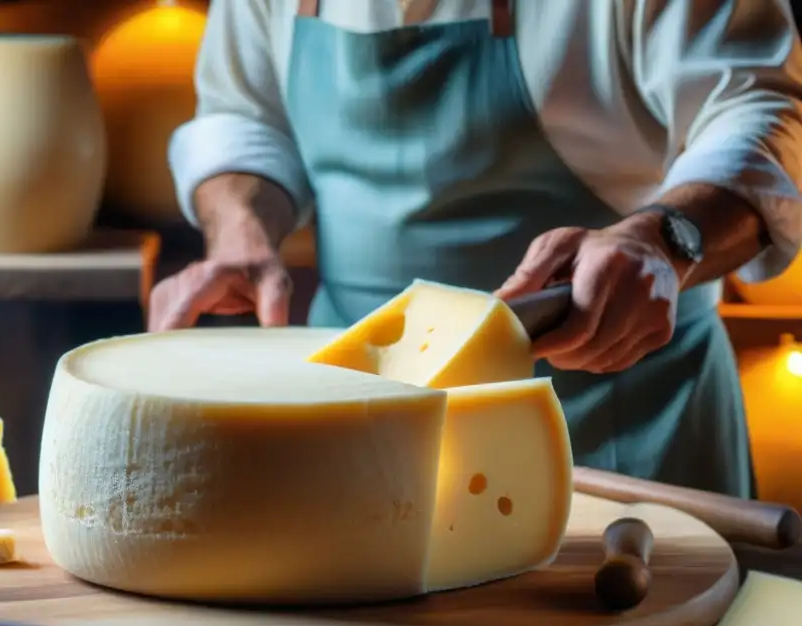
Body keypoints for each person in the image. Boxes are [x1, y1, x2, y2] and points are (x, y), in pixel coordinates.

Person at [151, 0, 802, 498]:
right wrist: (240, 229)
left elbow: (764, 114)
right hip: (353, 421)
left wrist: (663, 241)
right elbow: (243, 114)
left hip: (619, 429)